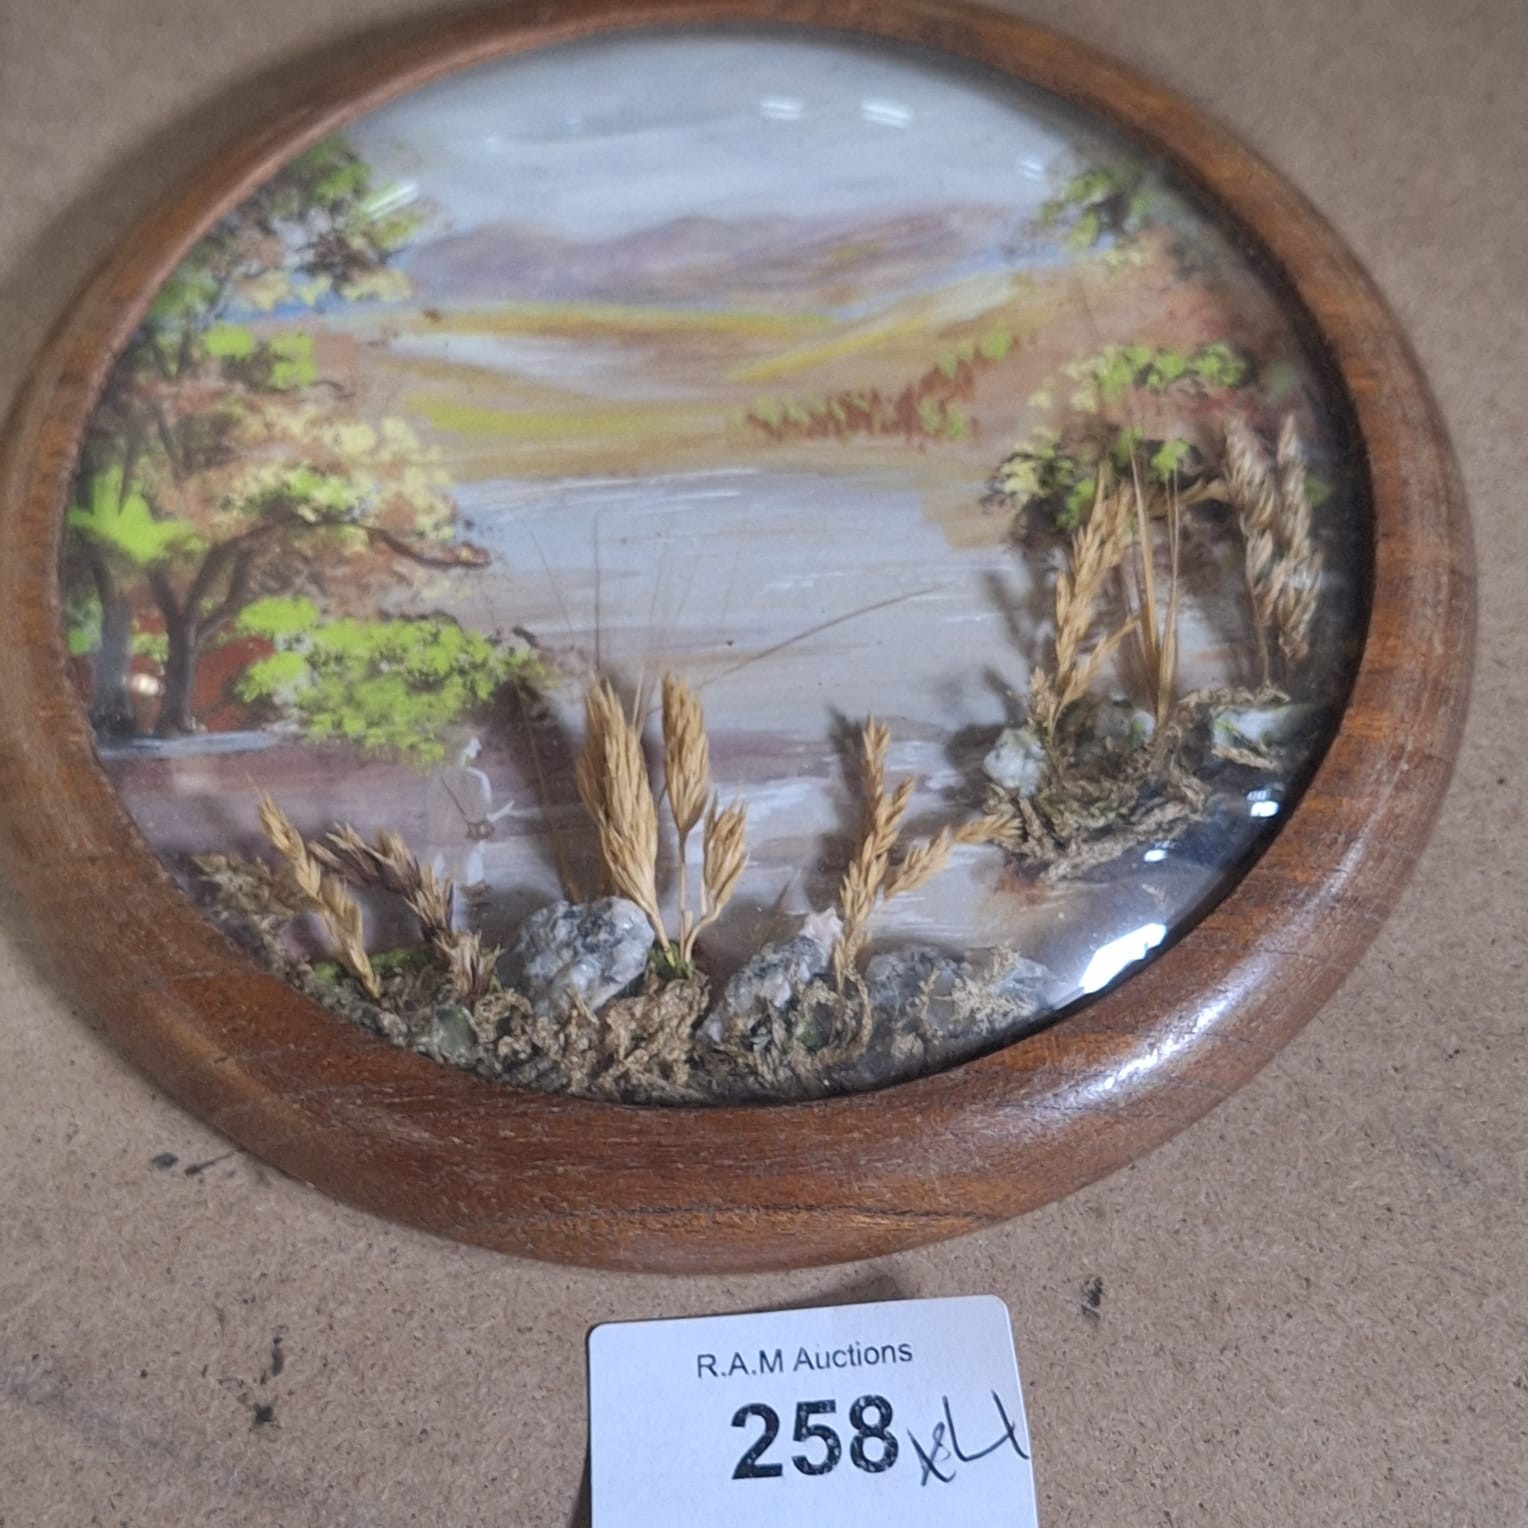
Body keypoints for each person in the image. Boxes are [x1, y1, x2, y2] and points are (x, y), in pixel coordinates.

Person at [425, 737, 514, 926]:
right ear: (470, 753)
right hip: (467, 839)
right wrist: (497, 815)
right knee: (472, 886)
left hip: (440, 838)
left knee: (433, 887)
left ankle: (442, 918)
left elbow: (432, 809)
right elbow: (481, 813)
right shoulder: (478, 778)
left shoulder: (438, 776)